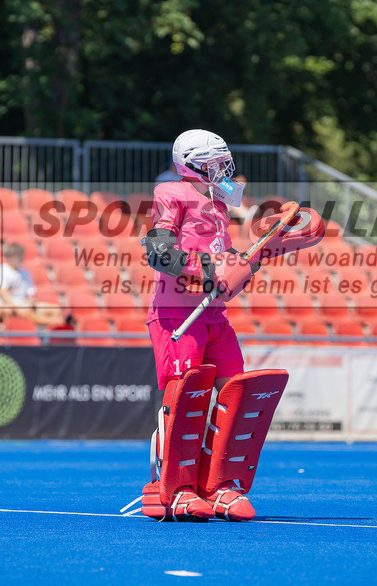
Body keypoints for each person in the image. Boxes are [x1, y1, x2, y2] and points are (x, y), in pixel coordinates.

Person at [137, 129, 288, 522]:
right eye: (216, 162)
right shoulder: (170, 192)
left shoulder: (219, 201)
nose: (224, 168)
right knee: (187, 399)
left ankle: (219, 485)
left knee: (234, 396)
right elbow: (159, 252)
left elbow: (226, 264)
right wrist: (208, 271)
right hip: (177, 314)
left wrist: (259, 252)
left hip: (213, 315)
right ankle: (175, 488)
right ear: (193, 164)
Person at [0, 243, 64, 326]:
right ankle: (55, 323)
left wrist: (32, 302)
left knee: (56, 310)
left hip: (25, 303)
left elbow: (30, 292)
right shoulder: (1, 271)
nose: (21, 258)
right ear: (9, 257)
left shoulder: (25, 272)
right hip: (8, 305)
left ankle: (55, 324)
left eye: (21, 256)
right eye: (18, 256)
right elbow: (4, 295)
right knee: (26, 312)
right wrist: (17, 309)